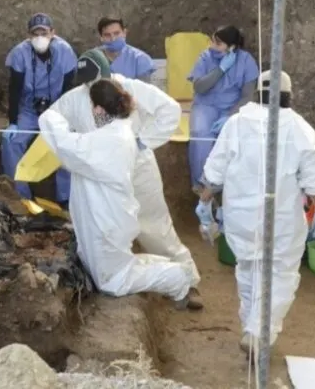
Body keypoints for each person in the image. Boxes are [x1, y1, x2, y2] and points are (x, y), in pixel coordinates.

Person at [52, 49, 204, 309]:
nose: (91, 87)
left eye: (95, 81)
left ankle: (187, 280)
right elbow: (56, 117)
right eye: (87, 82)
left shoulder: (130, 87)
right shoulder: (76, 98)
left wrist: (143, 141)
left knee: (155, 225)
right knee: (108, 226)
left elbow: (170, 109)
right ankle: (129, 270)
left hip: (137, 166)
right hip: (101, 173)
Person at [198, 70, 315, 355]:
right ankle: (259, 332)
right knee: (279, 274)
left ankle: (250, 327)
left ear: (257, 93)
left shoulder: (236, 124)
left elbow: (214, 170)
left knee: (248, 269)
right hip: (281, 220)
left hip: (241, 218)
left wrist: (205, 204)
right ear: (289, 95)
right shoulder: (300, 129)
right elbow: (314, 182)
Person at [1, 12, 78, 204]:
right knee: (11, 143)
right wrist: (13, 122)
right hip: (29, 108)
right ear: (28, 36)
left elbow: (70, 89)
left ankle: (65, 199)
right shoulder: (20, 53)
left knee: (66, 144)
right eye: (35, 33)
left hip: (58, 107)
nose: (39, 37)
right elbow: (15, 89)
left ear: (53, 33)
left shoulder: (65, 52)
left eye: (43, 32)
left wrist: (67, 118)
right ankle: (21, 196)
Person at [188, 25, 259, 194]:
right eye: (212, 41)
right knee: (200, 135)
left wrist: (230, 115)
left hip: (233, 106)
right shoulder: (205, 58)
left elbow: (248, 96)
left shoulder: (246, 61)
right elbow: (199, 87)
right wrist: (220, 70)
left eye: (218, 44)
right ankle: (201, 185)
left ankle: (229, 187)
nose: (212, 46)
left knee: (235, 138)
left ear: (232, 47)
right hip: (205, 105)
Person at [97, 16, 156, 82]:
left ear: (124, 33)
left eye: (116, 33)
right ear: (101, 37)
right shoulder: (91, 58)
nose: (113, 39)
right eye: (107, 35)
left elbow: (144, 90)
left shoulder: (140, 59)